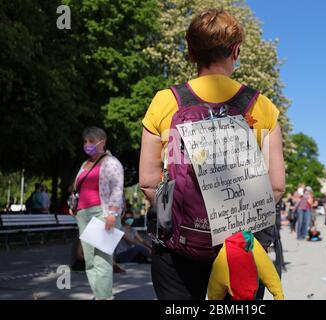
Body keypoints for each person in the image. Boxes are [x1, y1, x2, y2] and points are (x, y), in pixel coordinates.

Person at [139, 9, 285, 300]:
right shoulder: (262, 106)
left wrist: (181, 219)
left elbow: (148, 181)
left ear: (190, 52)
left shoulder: (166, 100)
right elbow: (276, 186)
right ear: (236, 50)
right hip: (239, 247)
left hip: (178, 246)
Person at [72, 127, 124, 300]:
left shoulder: (111, 162)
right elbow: (77, 188)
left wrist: (112, 214)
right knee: (89, 260)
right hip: (83, 214)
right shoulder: (84, 164)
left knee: (101, 259)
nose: (87, 145)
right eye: (85, 141)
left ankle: (104, 297)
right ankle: (99, 294)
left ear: (102, 142)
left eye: (92, 141)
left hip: (102, 213)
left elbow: (117, 188)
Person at [208, 231, 283, 300]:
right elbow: (270, 274)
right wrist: (278, 295)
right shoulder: (223, 260)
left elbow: (214, 291)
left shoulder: (223, 260)